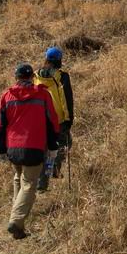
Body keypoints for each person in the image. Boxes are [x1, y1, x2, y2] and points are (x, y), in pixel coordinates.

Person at [0, 62, 60, 239]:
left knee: (18, 178)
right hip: (34, 147)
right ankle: (16, 221)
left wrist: (1, 149)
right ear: (32, 77)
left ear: (16, 78)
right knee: (29, 183)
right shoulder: (43, 95)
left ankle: (17, 225)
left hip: (13, 148)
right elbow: (52, 122)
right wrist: (53, 146)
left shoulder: (6, 96)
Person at [34, 47, 74, 191]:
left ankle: (41, 185)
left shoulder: (36, 75)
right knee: (64, 144)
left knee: (44, 151)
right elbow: (67, 99)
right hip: (58, 119)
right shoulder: (62, 76)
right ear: (59, 60)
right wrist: (69, 119)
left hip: (40, 118)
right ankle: (54, 169)